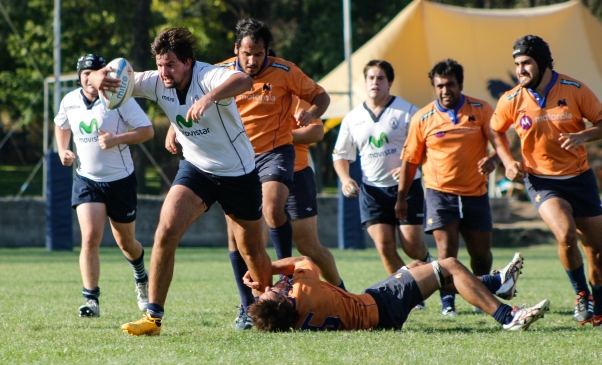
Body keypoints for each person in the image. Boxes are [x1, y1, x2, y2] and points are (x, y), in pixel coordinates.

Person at [88, 28, 273, 336]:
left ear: (188, 62)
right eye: (160, 65)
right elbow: (107, 79)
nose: (164, 72)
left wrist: (210, 99)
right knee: (165, 232)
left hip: (238, 173)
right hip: (197, 169)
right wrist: (98, 80)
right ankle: (153, 319)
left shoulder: (208, 76)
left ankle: (265, 309)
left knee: (251, 249)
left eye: (171, 65)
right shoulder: (158, 81)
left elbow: (244, 80)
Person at [215, 19, 331, 329]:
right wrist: (175, 127)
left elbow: (322, 97)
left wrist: (312, 114)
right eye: (246, 54)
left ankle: (286, 279)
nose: (252, 61)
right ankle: (246, 306)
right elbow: (188, 99)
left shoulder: (285, 72)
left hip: (276, 153)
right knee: (235, 235)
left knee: (271, 208)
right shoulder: (219, 72)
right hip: (236, 159)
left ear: (268, 51)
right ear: (236, 50)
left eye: (259, 54)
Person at [489, 35, 602, 327]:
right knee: (565, 234)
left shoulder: (574, 90)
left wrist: (583, 136)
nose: (520, 70)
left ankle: (598, 304)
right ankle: (581, 295)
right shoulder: (512, 99)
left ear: (542, 63)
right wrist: (507, 161)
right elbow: (495, 130)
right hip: (542, 182)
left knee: (596, 251)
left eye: (526, 63)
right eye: (516, 64)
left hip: (580, 179)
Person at [54, 53, 154, 317]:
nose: (89, 78)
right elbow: (61, 125)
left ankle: (141, 277)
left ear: (104, 74)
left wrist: (117, 139)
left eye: (95, 71)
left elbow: (147, 130)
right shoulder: (70, 100)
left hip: (120, 182)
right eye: (84, 73)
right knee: (90, 238)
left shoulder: (118, 98)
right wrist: (62, 150)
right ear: (79, 76)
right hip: (88, 180)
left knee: (127, 243)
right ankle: (91, 301)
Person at [396, 59, 498, 317]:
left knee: (481, 255)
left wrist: (494, 160)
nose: (445, 90)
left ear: (460, 84)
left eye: (450, 84)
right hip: (439, 193)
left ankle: (481, 292)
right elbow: (410, 162)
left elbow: (501, 146)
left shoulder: (482, 109)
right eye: (439, 85)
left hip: (475, 192)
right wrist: (402, 197)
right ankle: (447, 301)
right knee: (446, 250)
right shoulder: (423, 117)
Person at [332, 60, 432, 307]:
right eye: (371, 78)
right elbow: (340, 155)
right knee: (385, 247)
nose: (375, 82)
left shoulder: (407, 112)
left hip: (406, 189)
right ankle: (410, 294)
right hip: (372, 192)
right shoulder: (353, 118)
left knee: (411, 247)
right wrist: (346, 180)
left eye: (380, 78)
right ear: (365, 83)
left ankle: (433, 270)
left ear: (390, 82)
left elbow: (428, 145)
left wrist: (411, 166)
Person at [245, 254, 549, 332]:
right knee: (451, 265)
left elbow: (274, 309)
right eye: (273, 293)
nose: (270, 289)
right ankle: (507, 315)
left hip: (375, 310)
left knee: (418, 266)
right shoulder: (304, 288)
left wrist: (266, 299)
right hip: (382, 303)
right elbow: (303, 261)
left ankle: (496, 283)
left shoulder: (293, 322)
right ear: (286, 300)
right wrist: (268, 269)